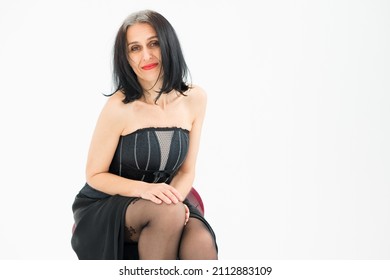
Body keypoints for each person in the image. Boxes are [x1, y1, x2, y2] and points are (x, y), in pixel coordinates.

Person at [71, 9, 218, 260]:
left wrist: (175, 198)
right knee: (167, 213)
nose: (146, 55)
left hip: (166, 198)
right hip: (109, 203)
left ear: (168, 45)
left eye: (153, 44)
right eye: (135, 48)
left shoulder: (195, 99)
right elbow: (94, 175)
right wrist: (144, 190)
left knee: (201, 241)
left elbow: (186, 171)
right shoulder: (119, 108)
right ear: (126, 57)